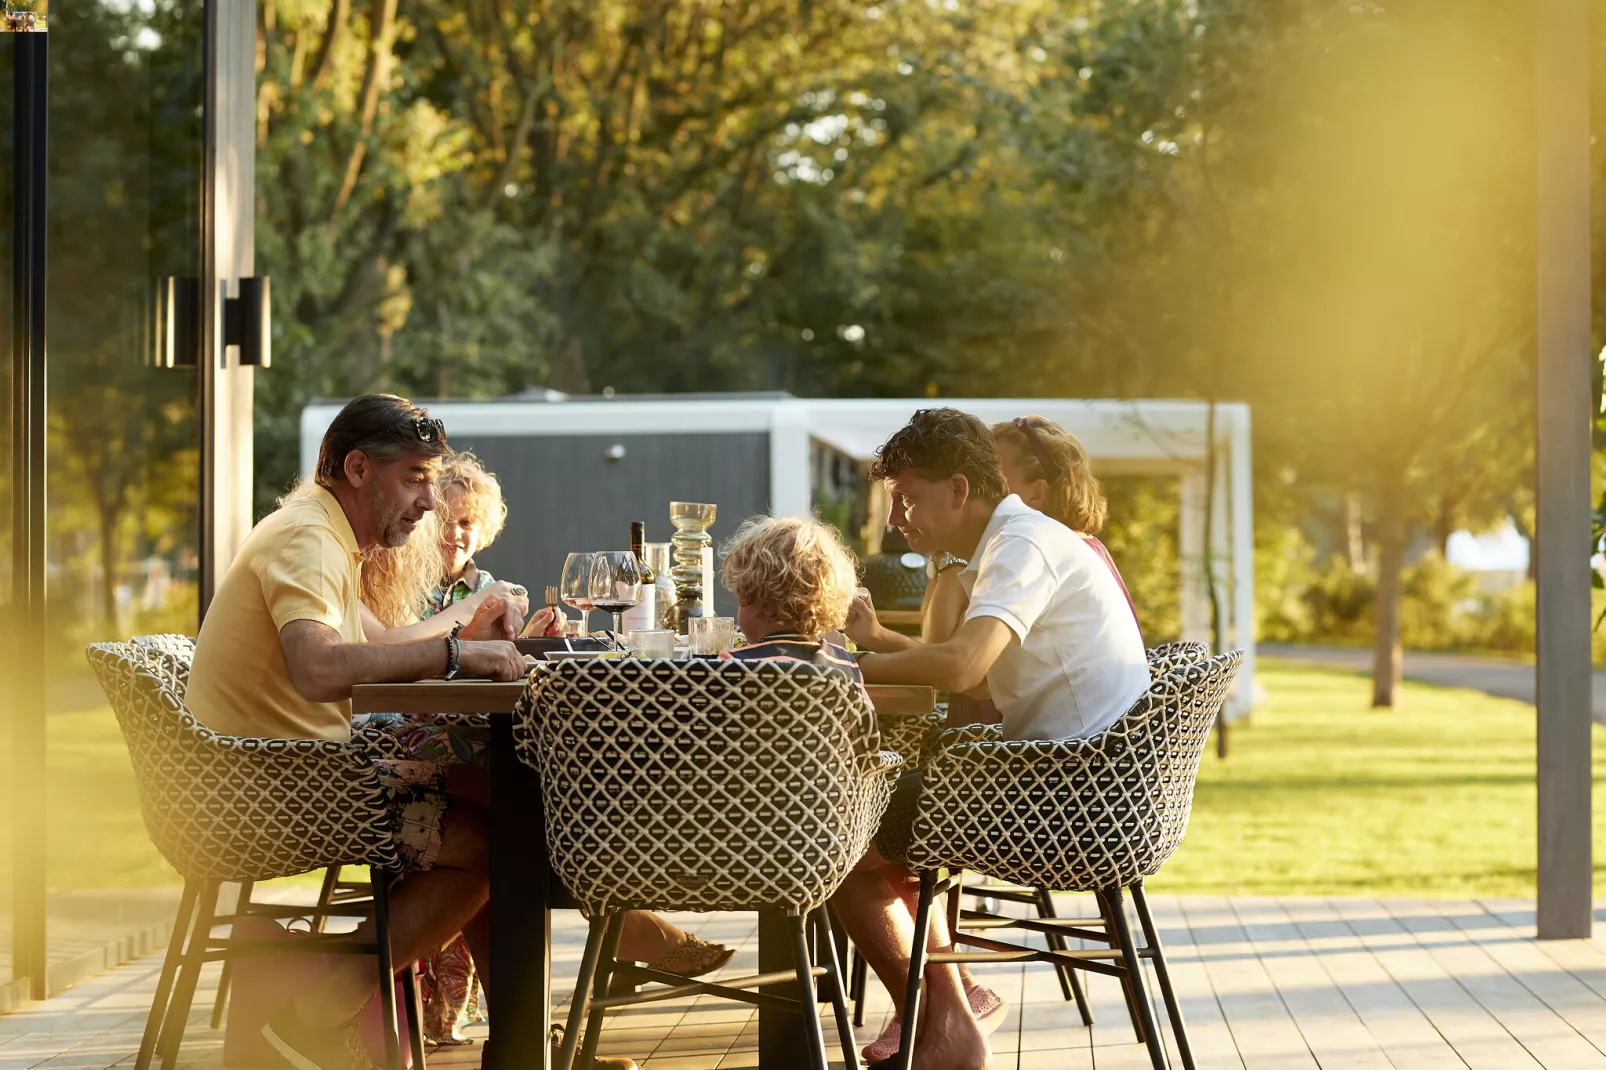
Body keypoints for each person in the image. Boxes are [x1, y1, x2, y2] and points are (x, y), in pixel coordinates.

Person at [186, 394, 628, 1070]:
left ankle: (521, 1042)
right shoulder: (307, 538)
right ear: (359, 468)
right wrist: (457, 656)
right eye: (416, 476)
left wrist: (465, 635)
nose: (429, 502)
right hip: (271, 793)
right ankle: (315, 1019)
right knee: (495, 842)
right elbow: (319, 669)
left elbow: (376, 649)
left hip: (289, 773)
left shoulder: (323, 532)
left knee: (488, 808)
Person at [836, 407, 1151, 1070]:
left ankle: (946, 1023)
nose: (897, 519)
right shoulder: (1013, 543)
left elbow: (959, 668)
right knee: (868, 818)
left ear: (958, 490)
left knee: (831, 835)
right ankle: (946, 1014)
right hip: (1085, 780)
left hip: (1071, 798)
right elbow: (957, 670)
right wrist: (875, 649)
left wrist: (849, 665)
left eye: (908, 498)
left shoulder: (1023, 544)